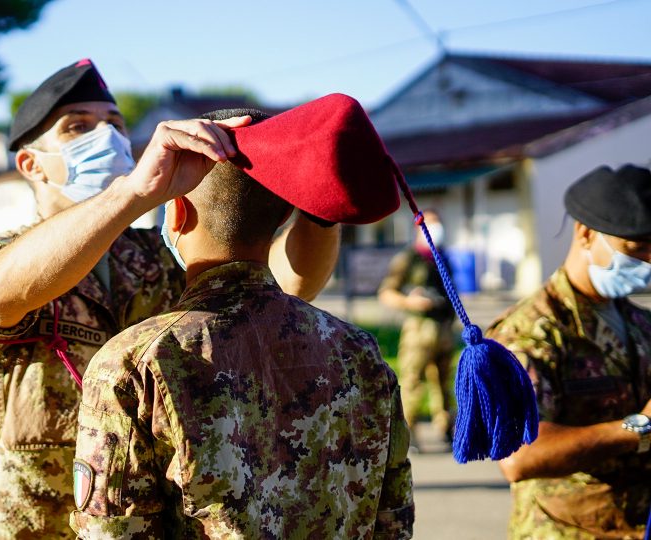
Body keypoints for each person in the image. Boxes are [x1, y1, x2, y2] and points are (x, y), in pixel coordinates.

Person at [0, 60, 341, 538]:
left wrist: (322, 204)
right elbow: (0, 295)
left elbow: (281, 287)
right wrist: (133, 193)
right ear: (31, 164)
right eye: (78, 126)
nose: (107, 137)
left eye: (115, 124)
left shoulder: (158, 258)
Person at [69, 108, 414, 538]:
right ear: (281, 221)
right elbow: (394, 522)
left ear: (175, 215)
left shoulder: (136, 363)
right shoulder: (359, 352)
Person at [487, 164, 651, 539]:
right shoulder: (529, 332)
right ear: (586, 233)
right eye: (636, 247)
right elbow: (518, 457)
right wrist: (638, 429)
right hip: (564, 530)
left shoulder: (639, 322)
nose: (647, 261)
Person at [378, 209, 456, 449]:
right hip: (418, 329)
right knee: (412, 382)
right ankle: (408, 431)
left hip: (443, 329)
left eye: (438, 224)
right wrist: (410, 302)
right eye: (430, 225)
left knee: (443, 383)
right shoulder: (408, 259)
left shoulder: (442, 257)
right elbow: (386, 293)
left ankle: (446, 428)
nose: (436, 230)